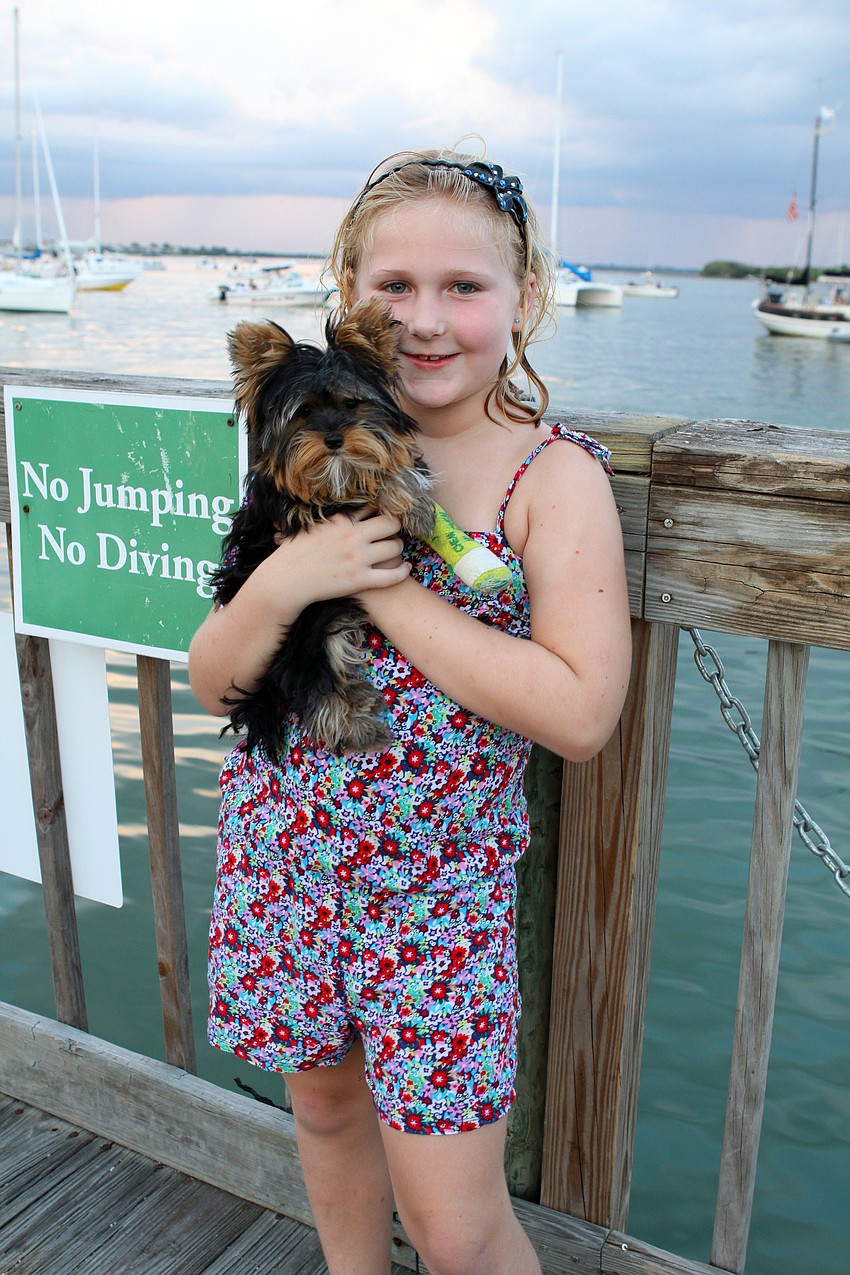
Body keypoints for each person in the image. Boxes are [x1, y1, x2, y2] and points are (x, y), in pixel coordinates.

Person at [188, 146, 632, 1275]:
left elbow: (580, 716)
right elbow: (215, 680)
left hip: (432, 905)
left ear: (524, 298)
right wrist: (289, 579)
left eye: (464, 288)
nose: (428, 320)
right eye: (397, 289)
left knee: (454, 1222)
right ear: (354, 301)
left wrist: (380, 583)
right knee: (327, 1120)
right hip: (281, 867)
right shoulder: (302, 454)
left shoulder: (550, 479)